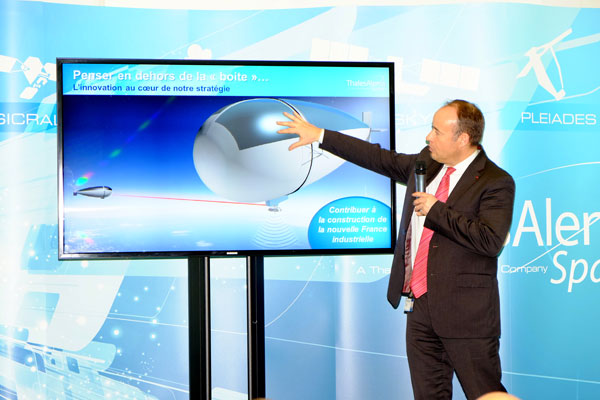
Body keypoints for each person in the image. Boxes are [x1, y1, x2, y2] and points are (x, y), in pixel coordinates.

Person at [277, 100, 516, 400]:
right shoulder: (426, 163)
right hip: (420, 312)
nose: (428, 137)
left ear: (463, 138)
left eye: (437, 131)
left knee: (486, 395)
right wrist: (320, 135)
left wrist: (436, 211)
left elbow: (490, 240)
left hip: (467, 318)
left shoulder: (496, 181)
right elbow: (378, 158)